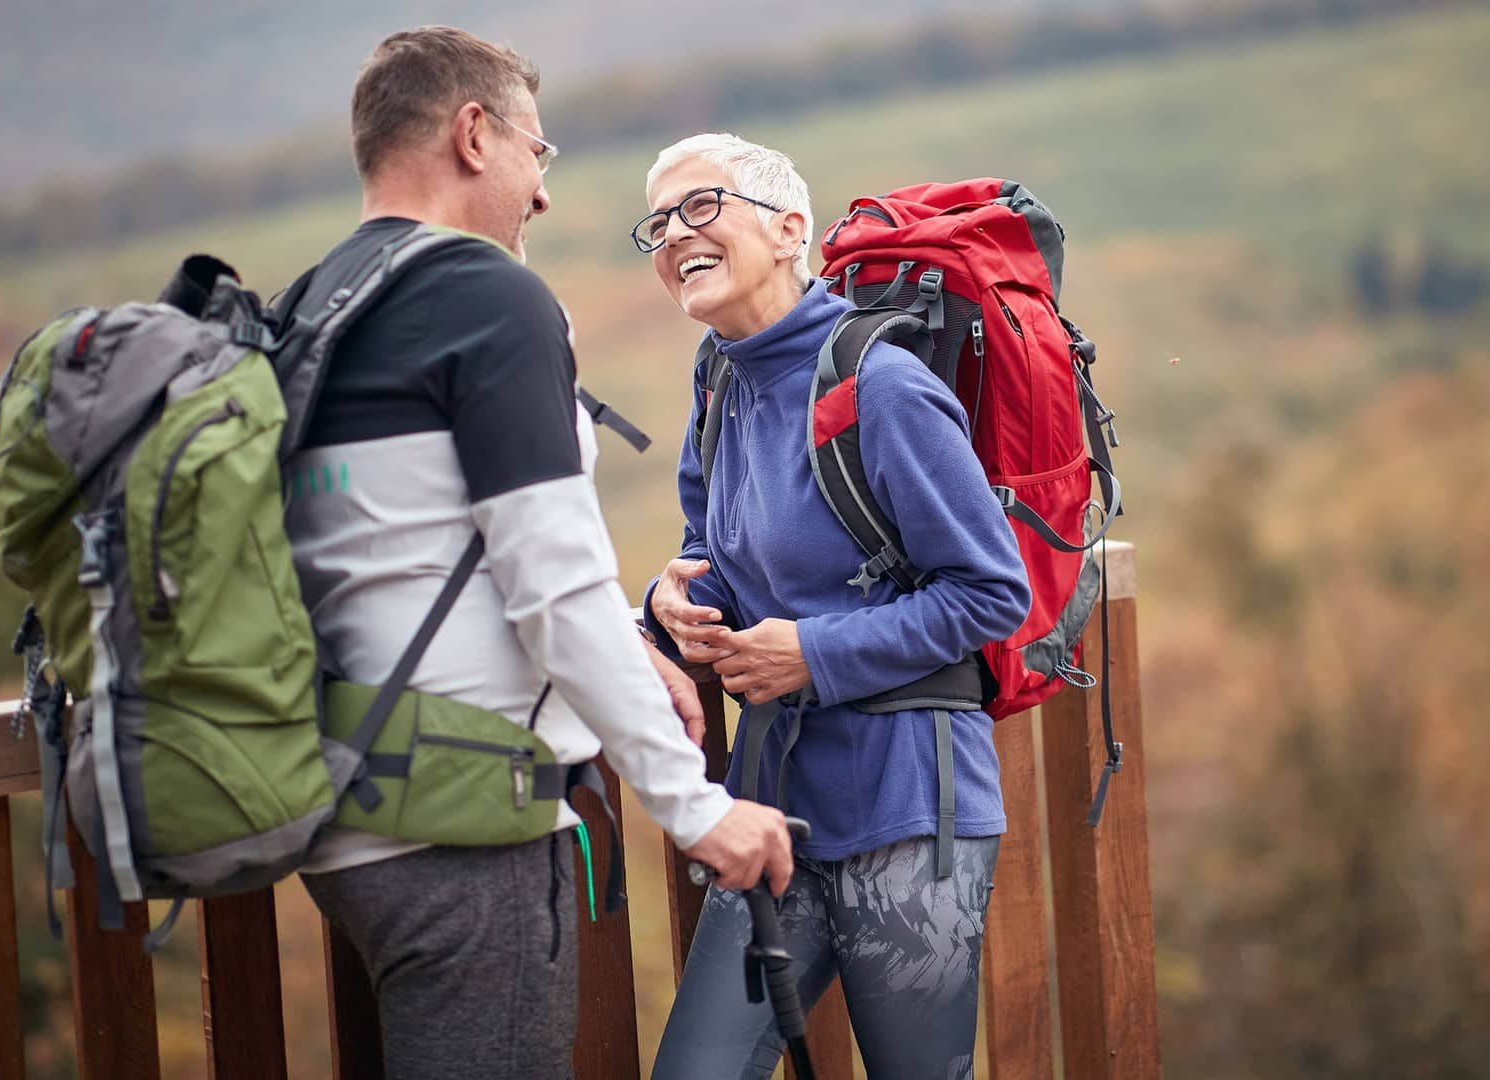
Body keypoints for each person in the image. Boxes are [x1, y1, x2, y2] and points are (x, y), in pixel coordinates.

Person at [282, 31, 794, 1080]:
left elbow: (422, 544)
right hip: (462, 819)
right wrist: (696, 809)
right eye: (536, 154)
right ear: (474, 135)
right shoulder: (486, 297)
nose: (543, 193)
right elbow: (549, 581)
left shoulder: (316, 302)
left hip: (341, 810)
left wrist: (628, 643)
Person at [637, 133, 1032, 1079]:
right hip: (773, 815)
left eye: (700, 207)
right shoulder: (719, 380)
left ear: (789, 230)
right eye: (656, 222)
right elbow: (719, 553)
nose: (672, 235)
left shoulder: (883, 386)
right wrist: (670, 606)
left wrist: (814, 653)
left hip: (907, 811)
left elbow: (991, 590)